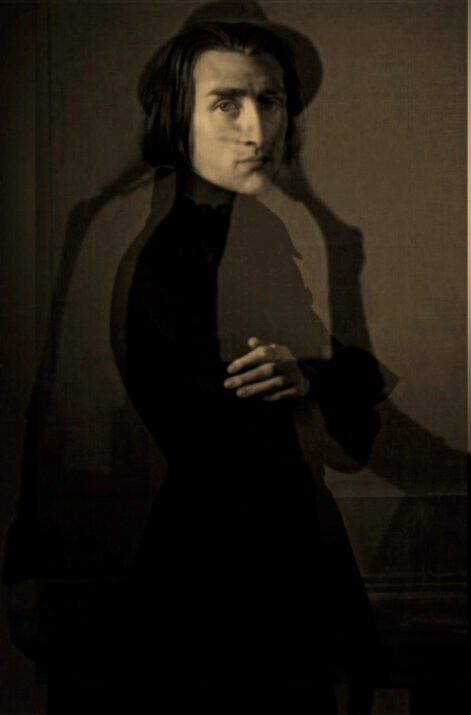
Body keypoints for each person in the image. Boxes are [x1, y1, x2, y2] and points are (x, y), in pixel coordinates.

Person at [105, 19, 385, 713]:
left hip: (273, 554)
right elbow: (294, 432)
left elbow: (338, 397)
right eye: (226, 103)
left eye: (271, 101)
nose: (256, 129)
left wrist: (316, 372)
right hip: (220, 571)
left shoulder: (253, 227)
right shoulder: (164, 246)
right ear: (178, 119)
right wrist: (323, 380)